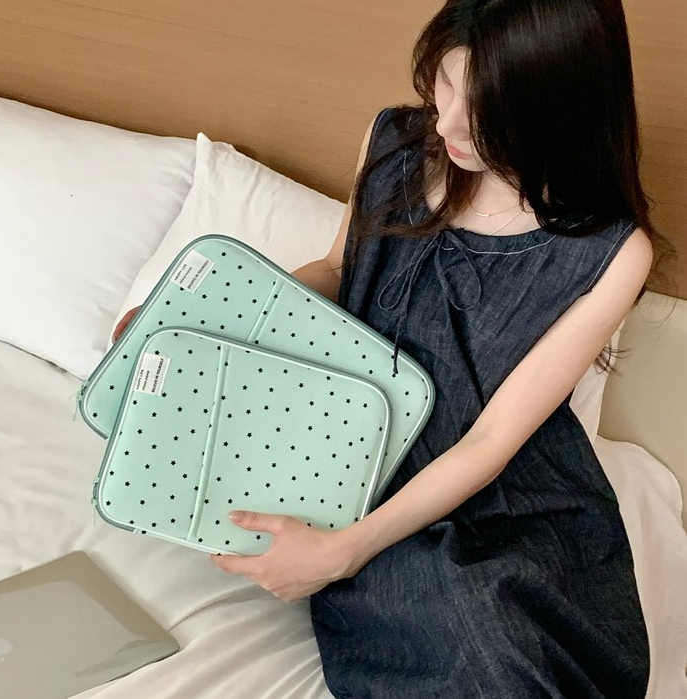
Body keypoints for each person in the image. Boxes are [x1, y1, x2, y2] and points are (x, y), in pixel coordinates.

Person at [112, 1, 673, 695]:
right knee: (461, 631)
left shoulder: (609, 251)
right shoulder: (396, 145)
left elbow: (492, 441)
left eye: (485, 111)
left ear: (555, 108)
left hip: (499, 490)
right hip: (361, 445)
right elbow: (337, 271)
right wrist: (194, 320)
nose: (446, 124)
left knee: (505, 631)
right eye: (445, 84)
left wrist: (339, 554)